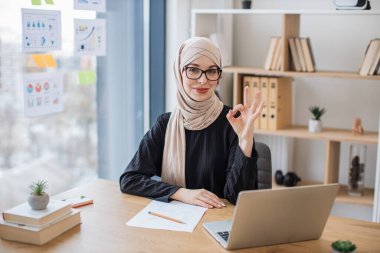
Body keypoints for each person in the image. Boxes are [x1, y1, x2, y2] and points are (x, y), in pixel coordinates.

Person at [119, 37, 263, 208]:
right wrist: (182, 193)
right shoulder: (165, 124)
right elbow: (129, 180)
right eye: (193, 70)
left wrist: (245, 141)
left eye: (211, 71)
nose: (203, 80)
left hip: (217, 223)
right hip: (176, 223)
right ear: (179, 72)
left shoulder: (233, 122)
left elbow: (238, 198)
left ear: (218, 76)